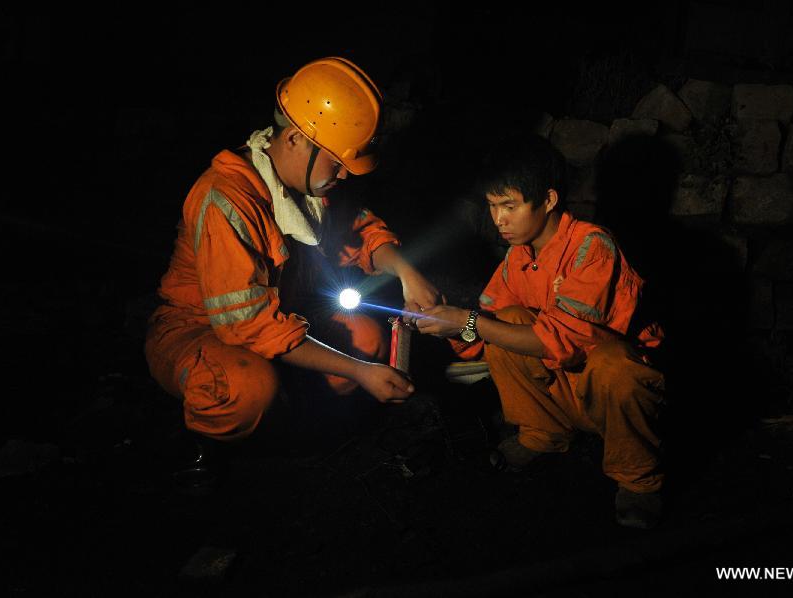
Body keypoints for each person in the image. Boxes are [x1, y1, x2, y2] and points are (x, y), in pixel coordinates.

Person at [145, 57, 440, 461]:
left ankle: (297, 421)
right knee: (245, 389)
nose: (344, 175)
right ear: (295, 139)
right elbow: (246, 326)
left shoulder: (308, 185)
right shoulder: (226, 197)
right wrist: (358, 372)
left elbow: (361, 230)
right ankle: (205, 451)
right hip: (196, 329)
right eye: (338, 162)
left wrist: (408, 273)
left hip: (282, 316)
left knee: (367, 339)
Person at [415, 134, 666, 529]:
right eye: (493, 206)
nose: (499, 220)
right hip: (567, 388)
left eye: (509, 206)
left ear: (548, 200)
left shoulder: (591, 246)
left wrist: (469, 321)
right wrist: (446, 324)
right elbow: (484, 331)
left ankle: (638, 480)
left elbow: (560, 339)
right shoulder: (520, 257)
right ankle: (543, 432)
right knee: (508, 321)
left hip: (614, 396)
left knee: (614, 364)